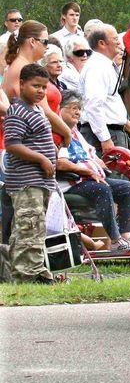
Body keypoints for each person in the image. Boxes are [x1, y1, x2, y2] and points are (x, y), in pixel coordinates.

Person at [54, 90, 130, 251]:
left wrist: (114, 165)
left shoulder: (76, 132)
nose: (78, 112)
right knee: (102, 189)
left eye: (79, 108)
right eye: (73, 108)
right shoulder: (59, 133)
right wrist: (88, 172)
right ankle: (115, 239)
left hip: (90, 179)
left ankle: (125, 236)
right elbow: (61, 164)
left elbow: (93, 156)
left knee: (126, 188)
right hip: (72, 181)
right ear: (59, 109)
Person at [3, 63, 58, 283]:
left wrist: (51, 150)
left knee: (31, 227)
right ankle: (29, 274)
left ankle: (32, 269)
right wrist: (42, 158)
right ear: (22, 84)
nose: (40, 91)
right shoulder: (18, 110)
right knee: (30, 226)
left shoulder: (35, 109)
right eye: (35, 86)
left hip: (40, 181)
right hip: (26, 181)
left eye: (44, 87)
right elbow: (12, 144)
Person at [3, 20, 72, 144]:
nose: (47, 46)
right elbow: (42, 111)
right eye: (45, 42)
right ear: (32, 42)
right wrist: (67, 134)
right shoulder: (23, 68)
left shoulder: (17, 65)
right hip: (32, 143)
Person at [79, 25, 130, 154]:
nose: (119, 42)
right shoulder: (97, 67)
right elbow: (94, 104)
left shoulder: (106, 65)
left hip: (113, 132)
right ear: (102, 43)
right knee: (110, 174)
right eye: (115, 39)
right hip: (104, 134)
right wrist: (105, 138)